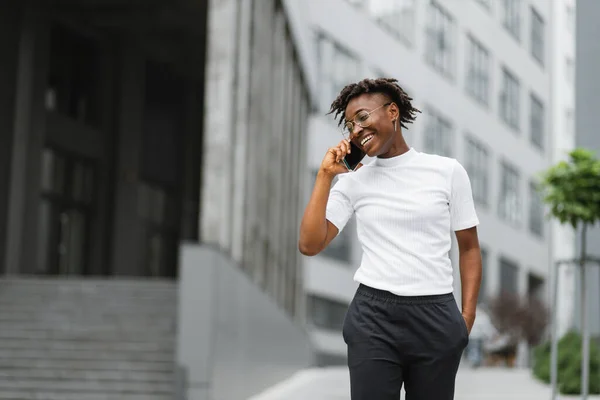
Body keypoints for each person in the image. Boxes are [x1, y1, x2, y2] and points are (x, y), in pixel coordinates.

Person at [298, 78, 482, 400]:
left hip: (436, 315)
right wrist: (325, 176)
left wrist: (465, 320)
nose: (357, 129)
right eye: (351, 124)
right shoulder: (353, 181)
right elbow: (310, 245)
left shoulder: (446, 172)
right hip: (374, 318)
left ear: (393, 111)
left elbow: (469, 248)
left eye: (363, 117)